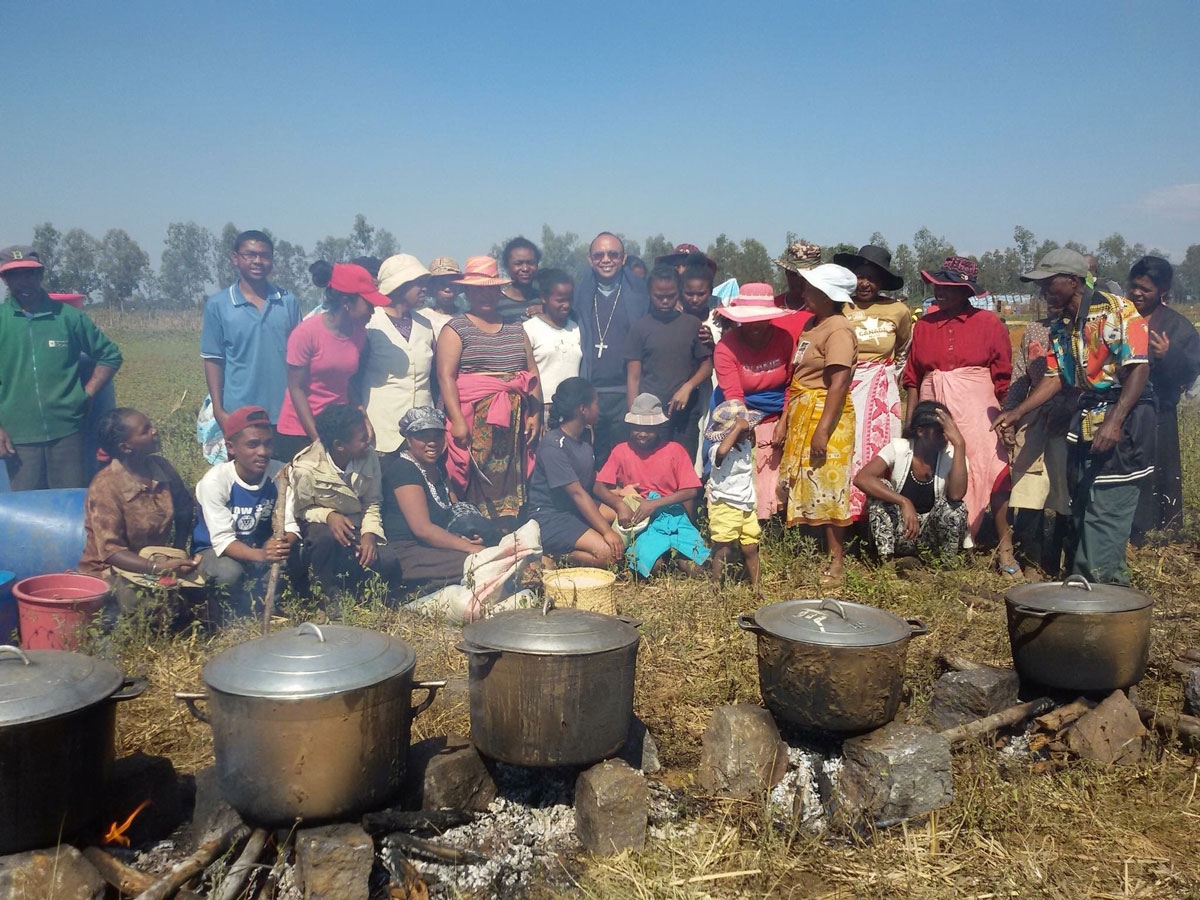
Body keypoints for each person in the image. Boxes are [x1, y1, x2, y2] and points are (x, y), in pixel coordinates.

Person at [993, 249, 1153, 586]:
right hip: (1087, 418)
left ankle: (1101, 589)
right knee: (1081, 504)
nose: (1043, 291)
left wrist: (1115, 421)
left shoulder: (1117, 310)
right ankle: (1096, 585)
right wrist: (1017, 411)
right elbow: (1054, 377)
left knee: (1105, 507)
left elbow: (1138, 367)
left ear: (1073, 280)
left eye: (1049, 283)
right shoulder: (1062, 325)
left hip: (1123, 418)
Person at [902, 256, 1016, 574]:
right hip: (933, 403)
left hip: (976, 405)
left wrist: (1007, 417)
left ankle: (1005, 549)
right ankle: (940, 541)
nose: (939, 292)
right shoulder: (924, 326)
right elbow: (912, 378)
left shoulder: (989, 323)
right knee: (936, 468)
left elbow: (1003, 376)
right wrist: (911, 422)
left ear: (966, 291)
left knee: (991, 470)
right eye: (937, 286)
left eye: (948, 287)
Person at [0, 245, 122, 490]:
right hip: (18, 436)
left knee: (69, 501)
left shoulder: (68, 317)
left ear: (40, 274)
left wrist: (88, 393)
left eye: (29, 273)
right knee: (25, 506)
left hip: (67, 432)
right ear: (4, 279)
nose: (23, 281)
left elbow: (110, 355)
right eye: (14, 275)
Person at [438, 256, 542, 526]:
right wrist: (457, 421)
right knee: (473, 477)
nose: (485, 295)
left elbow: (531, 373)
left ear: (499, 291)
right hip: (473, 419)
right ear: (467, 291)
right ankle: (477, 532)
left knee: (511, 478)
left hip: (514, 422)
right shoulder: (456, 328)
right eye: (478, 290)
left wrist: (535, 413)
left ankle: (509, 529)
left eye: (491, 289)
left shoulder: (516, 327)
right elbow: (446, 377)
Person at [777, 264, 859, 585]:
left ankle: (837, 562)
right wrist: (785, 418)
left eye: (811, 289)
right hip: (803, 409)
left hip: (827, 414)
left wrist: (823, 430)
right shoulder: (812, 324)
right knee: (809, 483)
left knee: (829, 486)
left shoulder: (838, 329)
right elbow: (798, 377)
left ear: (828, 295)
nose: (804, 293)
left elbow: (838, 383)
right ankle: (811, 550)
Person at [79, 408, 199, 620]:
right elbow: (111, 552)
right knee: (146, 603)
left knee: (200, 589)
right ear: (126, 447)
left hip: (155, 561)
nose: (154, 430)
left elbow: (184, 507)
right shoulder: (105, 486)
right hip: (110, 570)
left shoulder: (161, 467)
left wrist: (179, 552)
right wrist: (157, 568)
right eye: (145, 430)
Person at [274, 261, 387, 462]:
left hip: (336, 428)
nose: (373, 311)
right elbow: (296, 388)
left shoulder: (359, 333)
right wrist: (318, 441)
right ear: (346, 301)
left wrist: (362, 416)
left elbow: (344, 381)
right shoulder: (306, 333)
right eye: (369, 305)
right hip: (300, 431)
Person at [832, 244, 912, 521]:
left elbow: (903, 351)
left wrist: (884, 378)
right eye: (860, 276)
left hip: (880, 394)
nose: (865, 283)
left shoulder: (898, 310)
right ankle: (843, 515)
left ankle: (876, 517)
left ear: (882, 282)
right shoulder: (839, 306)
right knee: (844, 447)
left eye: (872, 278)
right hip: (843, 387)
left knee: (880, 450)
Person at [193, 406, 297, 618]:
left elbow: (291, 525)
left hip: (261, 546)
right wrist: (262, 555)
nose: (263, 452)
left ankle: (268, 605)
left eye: (268, 443)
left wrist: (279, 545)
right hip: (216, 550)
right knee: (228, 572)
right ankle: (226, 614)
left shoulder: (282, 474)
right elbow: (223, 540)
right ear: (231, 448)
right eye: (252, 444)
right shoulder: (216, 481)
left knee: (295, 553)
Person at [287, 404, 398, 599]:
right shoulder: (306, 468)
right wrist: (329, 516)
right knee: (324, 540)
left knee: (388, 560)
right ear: (339, 445)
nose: (368, 440)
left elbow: (372, 502)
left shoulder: (369, 457)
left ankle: (362, 594)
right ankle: (328, 595)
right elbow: (301, 510)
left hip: (356, 522)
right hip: (320, 525)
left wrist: (370, 534)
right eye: (362, 438)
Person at [595, 393, 710, 577]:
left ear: (658, 427)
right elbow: (599, 486)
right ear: (630, 426)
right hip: (641, 518)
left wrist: (655, 504)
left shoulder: (674, 450)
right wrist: (620, 504)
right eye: (637, 428)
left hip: (672, 513)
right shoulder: (621, 450)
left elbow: (691, 490)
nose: (642, 434)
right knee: (653, 567)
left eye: (648, 429)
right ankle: (655, 555)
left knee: (697, 568)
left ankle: (676, 555)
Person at [380, 407, 494, 590]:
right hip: (410, 552)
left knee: (491, 556)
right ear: (408, 439)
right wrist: (469, 548)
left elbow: (453, 510)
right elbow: (423, 529)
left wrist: (466, 539)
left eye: (437, 436)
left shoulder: (438, 468)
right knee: (483, 562)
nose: (432, 442)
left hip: (436, 546)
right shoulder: (404, 470)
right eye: (423, 436)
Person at [200, 231, 301, 437]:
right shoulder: (218, 305)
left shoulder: (287, 301)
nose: (257, 261)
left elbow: (300, 358)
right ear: (235, 258)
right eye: (250, 255)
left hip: (285, 411)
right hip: (240, 412)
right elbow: (213, 360)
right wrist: (218, 410)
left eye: (264, 256)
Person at [1127, 256, 1200, 543]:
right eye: (1134, 286)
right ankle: (1124, 526)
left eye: (1145, 289)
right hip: (1121, 409)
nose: (1137, 294)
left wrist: (1169, 356)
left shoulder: (1177, 325)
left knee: (1158, 471)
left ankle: (1158, 531)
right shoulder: (1120, 317)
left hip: (1160, 411)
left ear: (1163, 291)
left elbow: (1191, 370)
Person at [710, 284, 797, 519]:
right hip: (738, 411)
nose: (756, 325)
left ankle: (775, 521)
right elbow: (734, 395)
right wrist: (743, 426)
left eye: (762, 320)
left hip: (777, 408)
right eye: (750, 320)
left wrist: (784, 421)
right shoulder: (726, 347)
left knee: (775, 474)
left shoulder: (784, 339)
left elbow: (791, 383)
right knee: (738, 467)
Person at [854, 401, 969, 565]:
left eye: (947, 432)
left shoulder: (952, 455)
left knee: (956, 507)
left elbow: (957, 495)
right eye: (938, 432)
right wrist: (904, 502)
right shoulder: (899, 448)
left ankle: (943, 565)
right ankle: (887, 562)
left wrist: (960, 444)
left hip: (929, 538)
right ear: (920, 431)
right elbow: (862, 478)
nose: (945, 437)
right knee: (880, 491)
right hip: (901, 531)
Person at [526, 378, 624, 566]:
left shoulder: (585, 436)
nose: (599, 409)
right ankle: (554, 554)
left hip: (576, 508)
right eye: (596, 404)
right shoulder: (553, 445)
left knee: (625, 515)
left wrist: (619, 499)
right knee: (609, 555)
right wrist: (608, 532)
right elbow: (577, 494)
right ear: (583, 409)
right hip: (551, 517)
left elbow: (592, 481)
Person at [1004, 307, 1073, 575]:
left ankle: (1057, 562)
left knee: (1064, 493)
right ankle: (1031, 561)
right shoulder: (1034, 329)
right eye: (1047, 293)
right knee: (1028, 490)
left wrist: (1067, 407)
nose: (1051, 299)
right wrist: (1011, 416)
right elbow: (1021, 376)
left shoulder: (1081, 329)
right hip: (1033, 418)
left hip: (1068, 419)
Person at [575, 233, 651, 464]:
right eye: (599, 254)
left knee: (626, 459)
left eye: (613, 254)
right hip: (591, 393)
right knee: (591, 459)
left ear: (623, 258)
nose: (606, 259)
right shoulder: (578, 295)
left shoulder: (641, 295)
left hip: (626, 392)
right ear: (590, 259)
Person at [625, 265, 714, 458]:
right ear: (649, 293)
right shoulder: (639, 329)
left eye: (671, 296)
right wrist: (635, 417)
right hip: (651, 415)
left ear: (679, 292)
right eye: (659, 296)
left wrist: (688, 387)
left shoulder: (692, 324)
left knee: (683, 462)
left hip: (685, 413)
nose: (665, 301)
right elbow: (633, 377)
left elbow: (707, 365)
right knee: (653, 464)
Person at [361, 254, 436, 457]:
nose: (424, 289)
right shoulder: (371, 323)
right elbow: (354, 377)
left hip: (422, 433)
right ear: (400, 285)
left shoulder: (426, 325)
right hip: (383, 429)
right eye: (418, 283)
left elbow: (434, 379)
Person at [706, 400, 763, 594]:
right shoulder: (716, 449)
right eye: (744, 430)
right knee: (724, 547)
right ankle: (716, 585)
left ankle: (757, 587)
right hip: (725, 504)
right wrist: (738, 427)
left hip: (746, 503)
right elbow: (722, 452)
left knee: (751, 546)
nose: (748, 433)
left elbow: (751, 440)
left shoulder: (745, 444)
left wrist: (747, 429)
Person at [523, 268, 582, 414]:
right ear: (544, 298)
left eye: (569, 299)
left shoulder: (576, 328)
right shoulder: (529, 329)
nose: (566, 305)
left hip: (573, 406)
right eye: (560, 300)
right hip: (542, 405)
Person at [771, 239, 821, 345]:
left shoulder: (822, 311)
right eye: (793, 275)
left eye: (804, 276)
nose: (798, 281)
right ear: (786, 273)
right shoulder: (771, 307)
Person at [498, 237, 541, 320]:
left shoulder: (545, 300)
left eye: (531, 263)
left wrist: (548, 313)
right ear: (507, 266)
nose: (525, 268)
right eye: (518, 263)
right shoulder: (496, 303)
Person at [423, 257, 464, 340]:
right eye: (442, 284)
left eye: (452, 284)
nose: (447, 289)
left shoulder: (466, 319)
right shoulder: (422, 318)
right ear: (432, 287)